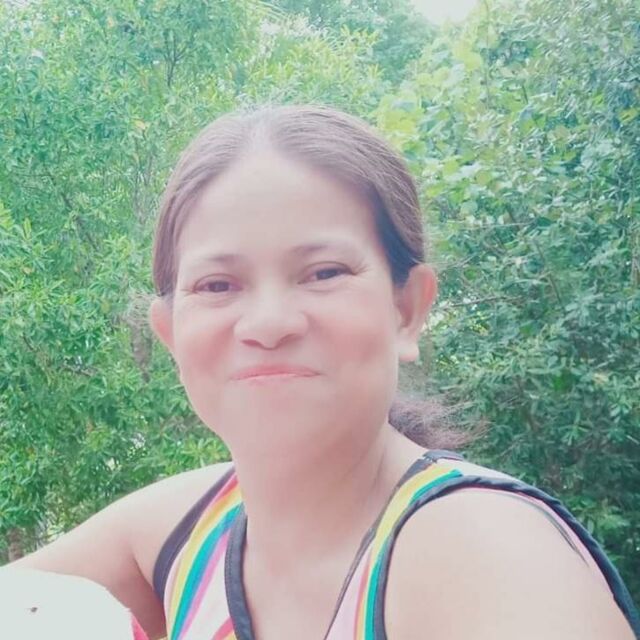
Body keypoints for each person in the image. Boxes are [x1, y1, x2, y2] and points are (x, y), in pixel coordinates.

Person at [7, 105, 639, 640]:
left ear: (407, 309)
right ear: (170, 333)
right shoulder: (190, 526)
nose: (268, 323)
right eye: (218, 284)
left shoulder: (484, 554)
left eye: (324, 273)